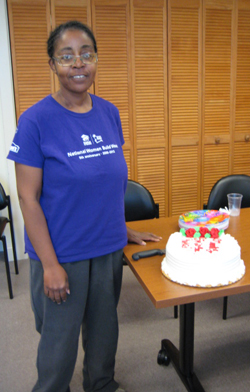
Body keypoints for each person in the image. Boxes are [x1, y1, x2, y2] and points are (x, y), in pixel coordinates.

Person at [7, 21, 161, 392]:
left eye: (86, 54)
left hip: (107, 249)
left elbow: (104, 183)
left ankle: (101, 384)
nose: (78, 63)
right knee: (58, 345)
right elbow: (27, 198)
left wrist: (122, 228)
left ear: (96, 60)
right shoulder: (35, 121)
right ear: (53, 64)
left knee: (105, 332)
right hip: (63, 253)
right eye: (66, 56)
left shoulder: (108, 113)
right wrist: (49, 265)